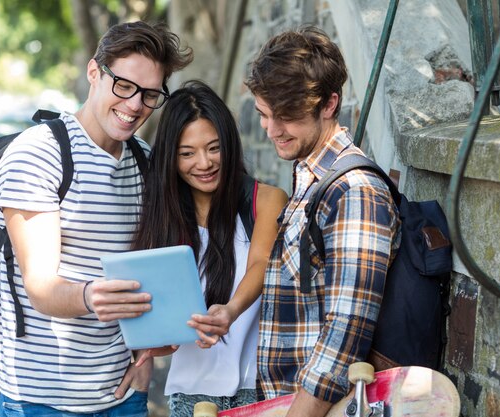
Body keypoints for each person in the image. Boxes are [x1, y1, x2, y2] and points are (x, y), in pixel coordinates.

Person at [0, 21, 193, 416]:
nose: (134, 105)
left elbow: (147, 273)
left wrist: (149, 351)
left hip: (123, 393)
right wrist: (89, 296)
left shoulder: (144, 159)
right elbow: (41, 287)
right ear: (94, 72)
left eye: (149, 94)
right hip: (40, 397)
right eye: (124, 86)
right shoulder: (39, 154)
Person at [244, 26, 401, 416]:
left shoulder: (354, 190)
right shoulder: (311, 177)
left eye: (286, 116)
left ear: (329, 105)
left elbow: (346, 330)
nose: (272, 130)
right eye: (264, 114)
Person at [130, 80, 288, 417]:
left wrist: (230, 310)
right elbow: (160, 313)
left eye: (214, 148)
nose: (204, 163)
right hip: (191, 393)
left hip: (259, 389)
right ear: (171, 158)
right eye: (187, 154)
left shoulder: (266, 200)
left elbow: (261, 263)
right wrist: (157, 339)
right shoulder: (162, 218)